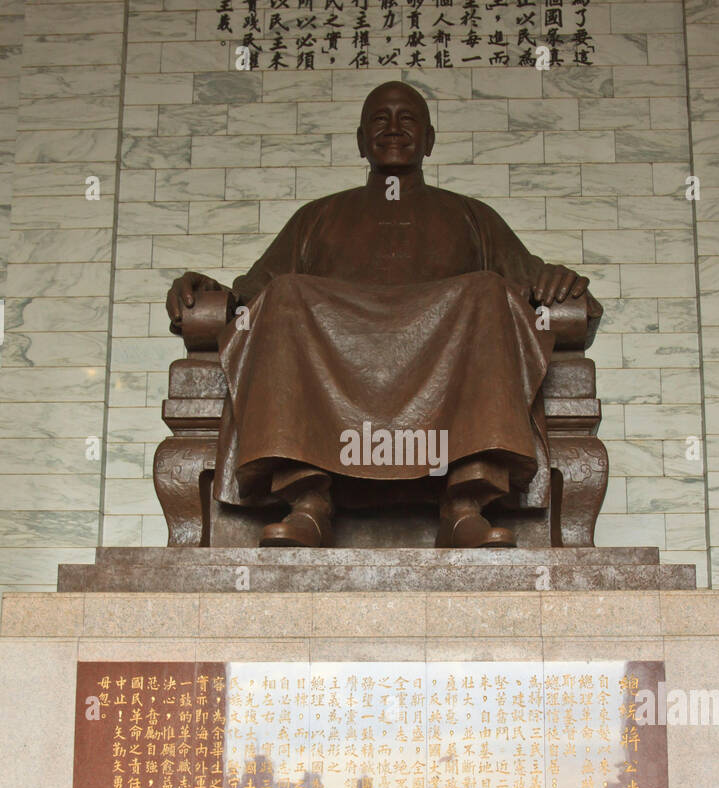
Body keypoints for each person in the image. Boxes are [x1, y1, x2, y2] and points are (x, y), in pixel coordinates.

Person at [167, 81, 600, 548]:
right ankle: (308, 501)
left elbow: (536, 284)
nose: (393, 129)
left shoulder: (472, 217)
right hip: (331, 361)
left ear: (430, 139)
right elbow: (249, 298)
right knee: (286, 293)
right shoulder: (318, 218)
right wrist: (205, 292)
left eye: (407, 118)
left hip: (447, 360)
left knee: (487, 292)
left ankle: (464, 503)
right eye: (380, 119)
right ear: (359, 140)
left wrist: (560, 283)